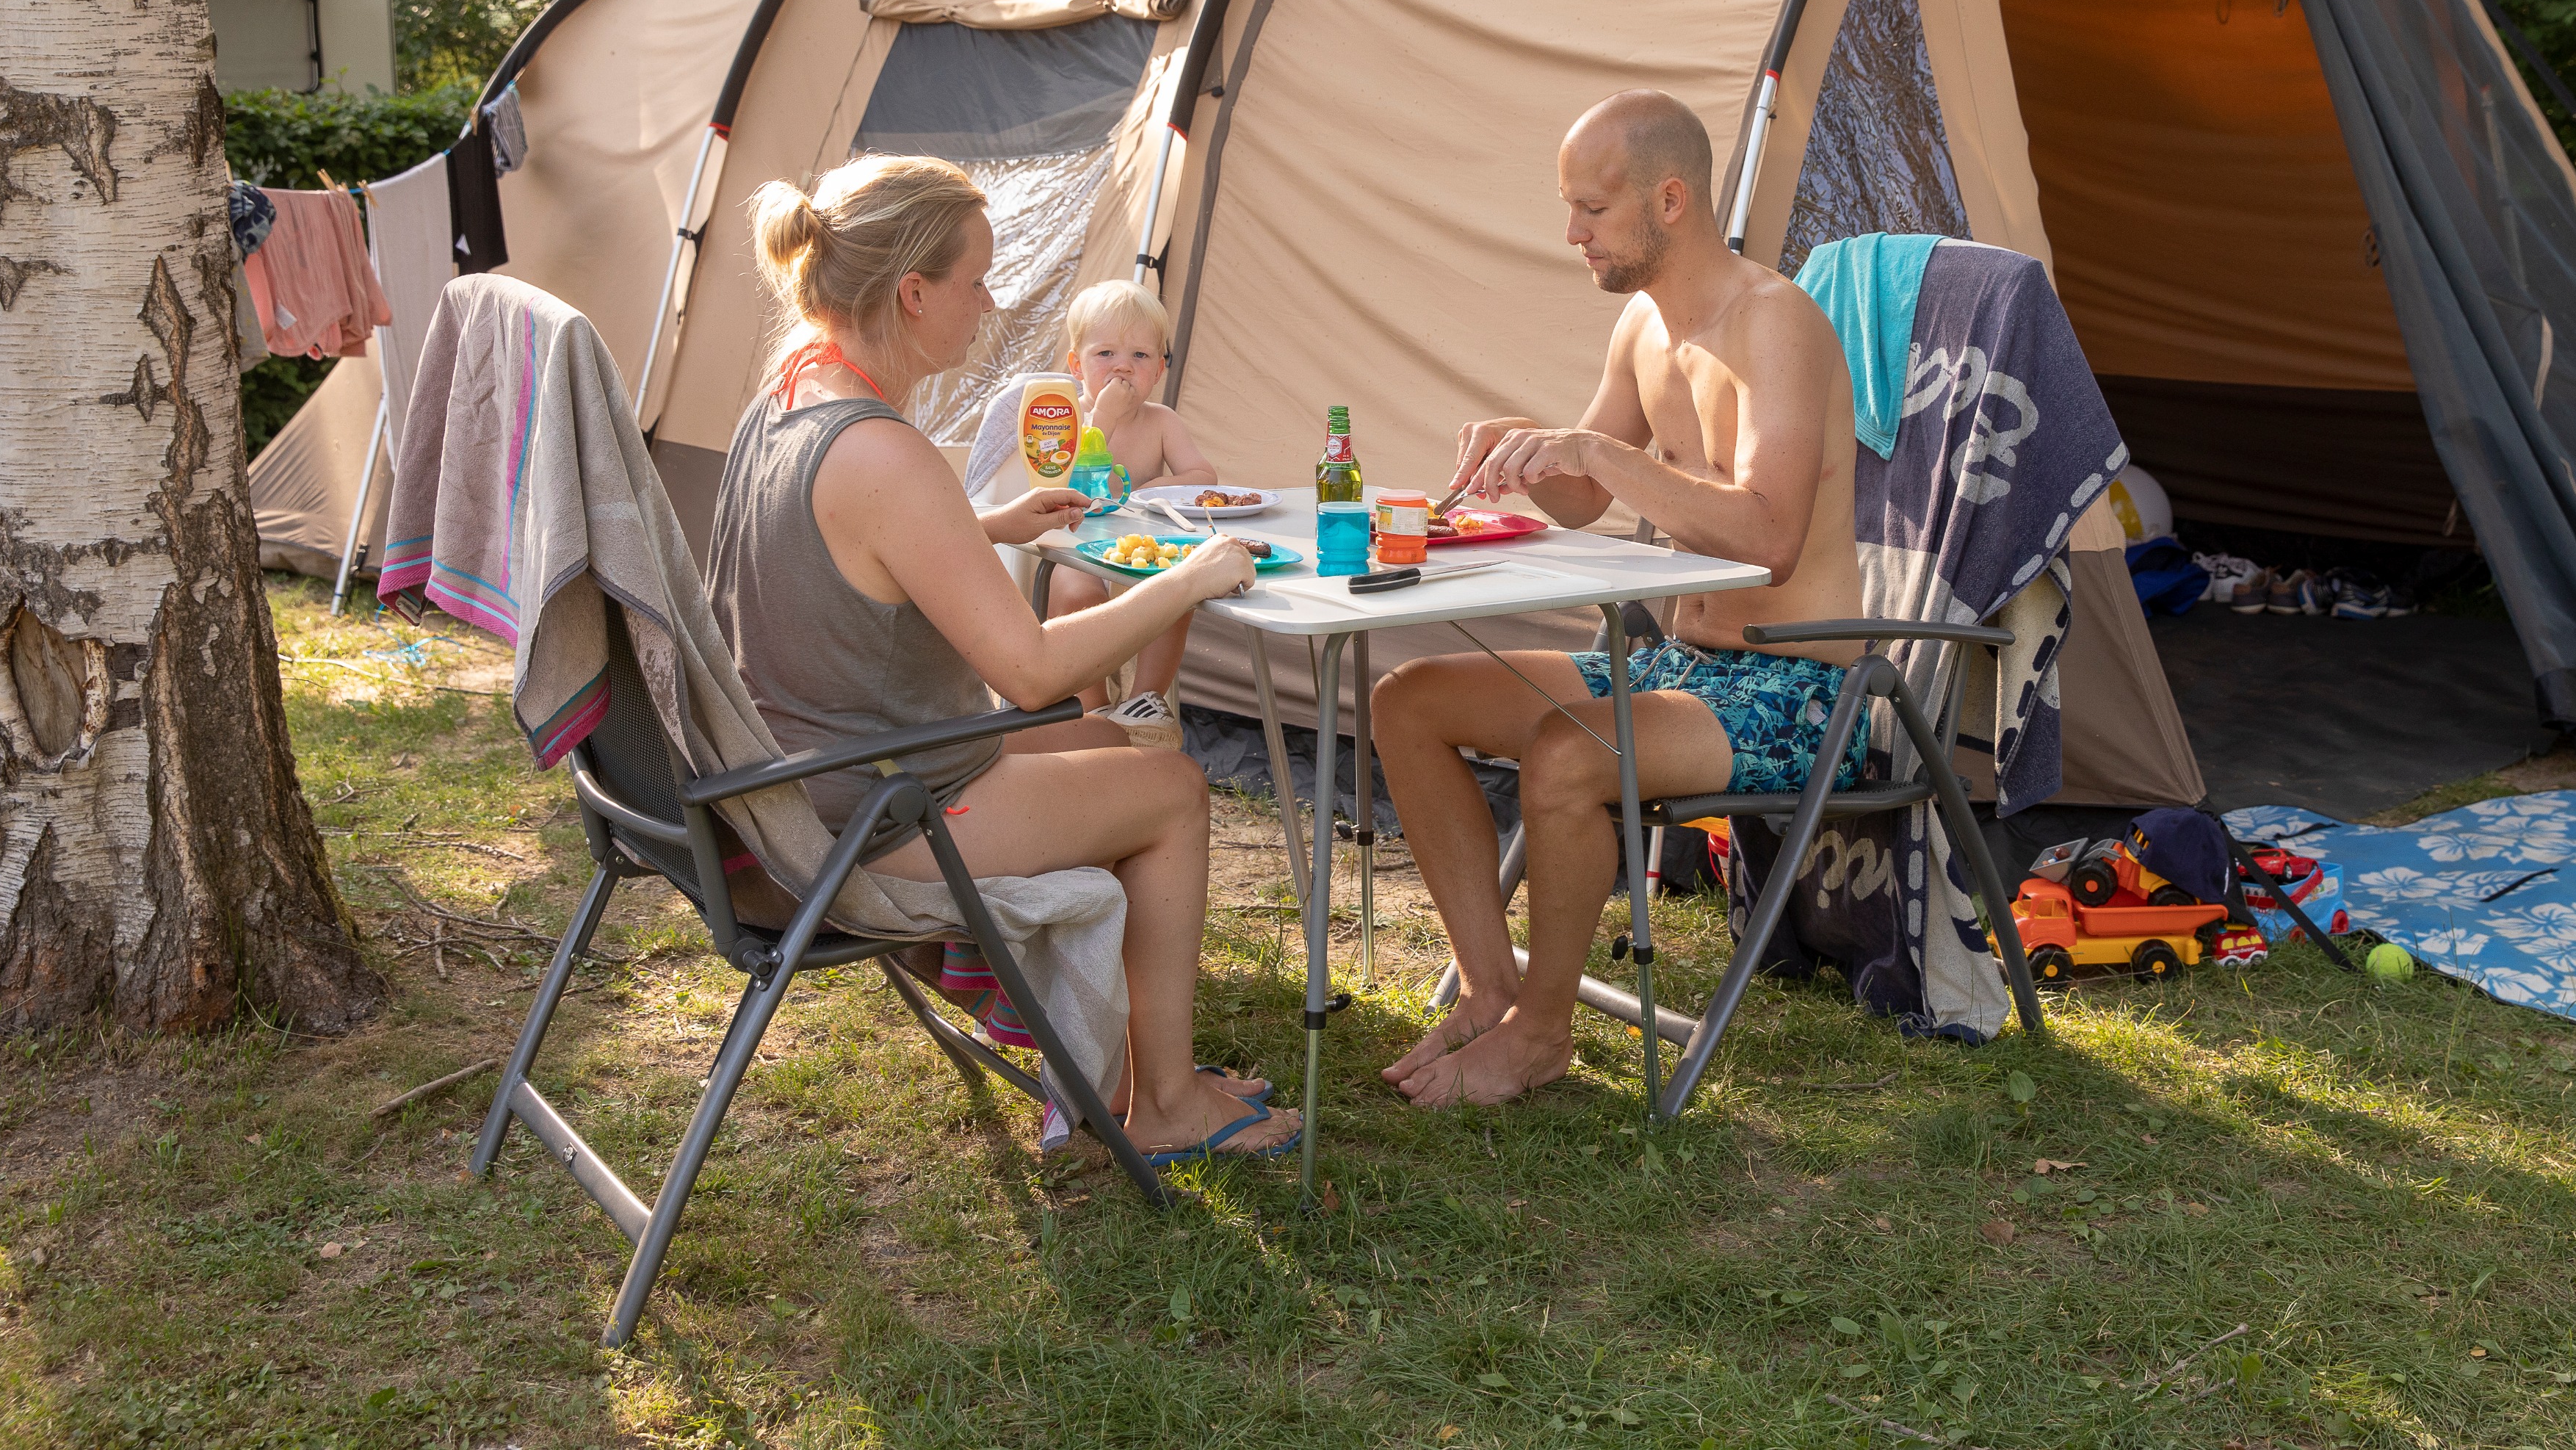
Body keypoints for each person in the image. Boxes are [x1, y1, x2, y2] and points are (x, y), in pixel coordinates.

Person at [712, 153, 1295, 1164]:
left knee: (1109, 731)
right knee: (1172, 788)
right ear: (913, 291)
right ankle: (1159, 1104)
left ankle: (1105, 1054)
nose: (989, 303)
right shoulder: (881, 451)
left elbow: (850, 544)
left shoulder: (785, 399)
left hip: (799, 782)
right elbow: (1027, 669)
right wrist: (1192, 580)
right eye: (976, 280)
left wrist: (980, 521)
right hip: (868, 816)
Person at [1371, 89, 1868, 1108]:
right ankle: (1490, 987)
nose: (1572, 234)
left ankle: (1543, 1037)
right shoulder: (1645, 324)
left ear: (1670, 201)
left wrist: (1593, 448)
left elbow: (1768, 538)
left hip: (1799, 685)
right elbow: (1586, 494)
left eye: (1592, 210)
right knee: (1407, 699)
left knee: (1569, 756)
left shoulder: (1776, 324)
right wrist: (1529, 445)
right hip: (1680, 668)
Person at [1039, 281, 1218, 734]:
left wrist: (1163, 484)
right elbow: (1061, 479)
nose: (1123, 368)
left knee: (1177, 592)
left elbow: (1204, 476)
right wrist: (1106, 418)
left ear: (1158, 369)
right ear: (1077, 366)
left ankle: (1144, 702)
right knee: (1077, 591)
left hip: (1144, 550)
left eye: (1140, 356)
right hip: (1076, 546)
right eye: (1106, 355)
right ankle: (1092, 705)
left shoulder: (1162, 422)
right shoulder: (1064, 419)